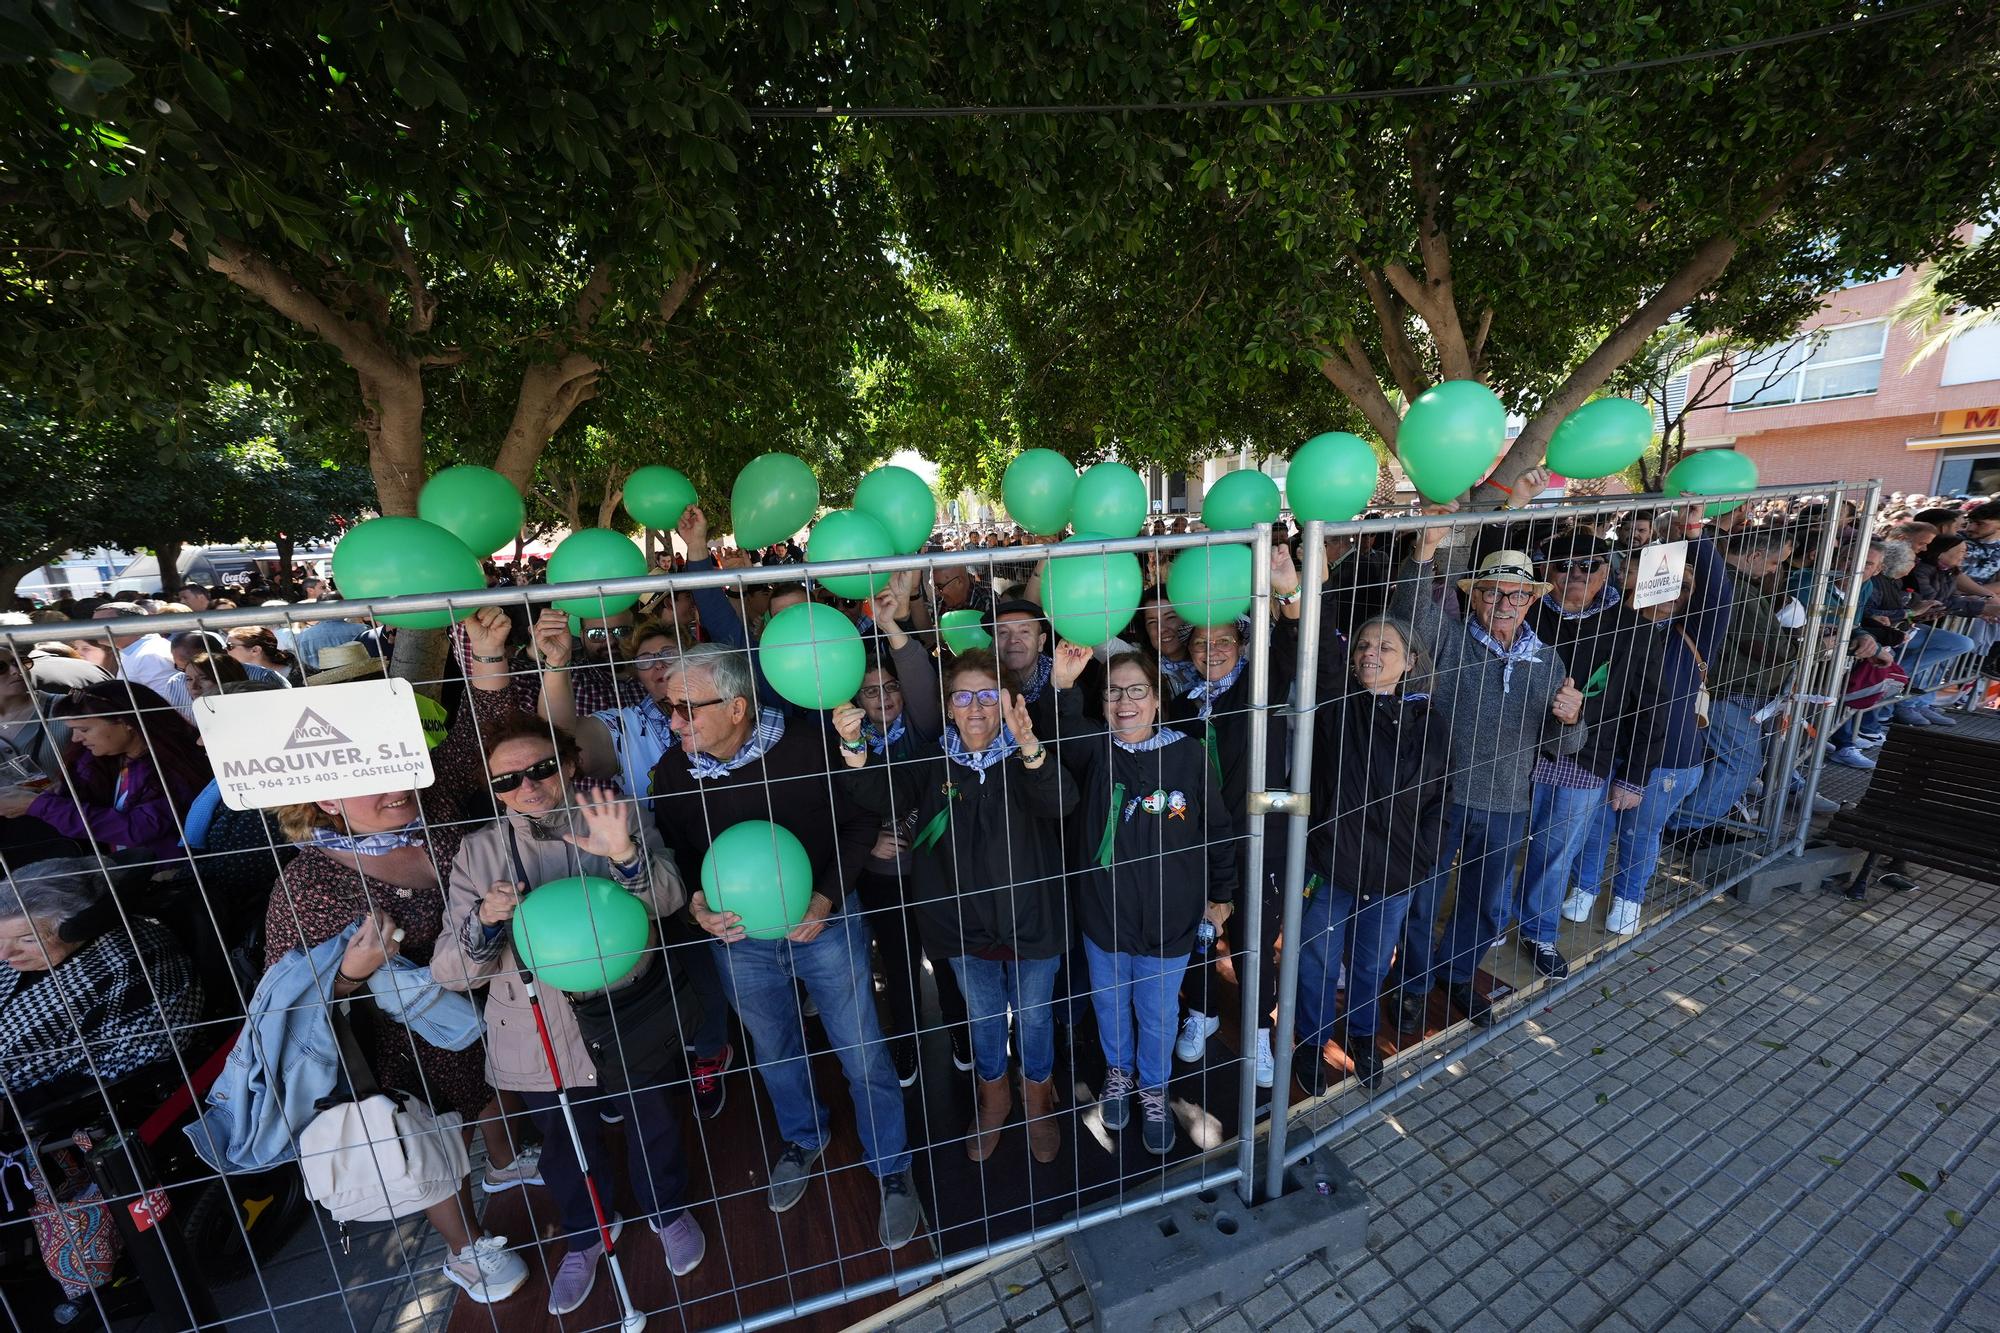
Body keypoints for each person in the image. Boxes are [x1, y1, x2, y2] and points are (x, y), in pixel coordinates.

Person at [262, 606, 534, 1304]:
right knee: (433, 1143)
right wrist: (352, 971)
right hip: (400, 1048)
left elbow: (484, 737)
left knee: (491, 1088)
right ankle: (465, 1249)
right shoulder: (308, 882)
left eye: (399, 766)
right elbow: (288, 1006)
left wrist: (490, 653)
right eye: (370, 779)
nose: (396, 788)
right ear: (323, 795)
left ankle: (504, 1162)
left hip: (483, 1003)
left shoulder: (430, 804)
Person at [649, 643, 921, 1247]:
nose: (674, 723)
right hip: (739, 942)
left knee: (863, 1052)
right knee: (774, 1051)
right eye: (671, 709)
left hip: (824, 927)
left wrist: (824, 899)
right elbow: (677, 852)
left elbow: (859, 824)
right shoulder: (673, 772)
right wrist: (697, 904)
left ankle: (893, 1167)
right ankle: (804, 1138)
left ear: (739, 707)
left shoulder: (810, 746)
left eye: (688, 709)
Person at [434, 716, 704, 1314]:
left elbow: (670, 899)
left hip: (629, 1015)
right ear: (493, 787)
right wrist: (486, 919)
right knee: (563, 1142)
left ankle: (667, 1210)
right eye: (508, 779)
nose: (528, 787)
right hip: (536, 1032)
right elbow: (450, 971)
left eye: (541, 769)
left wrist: (626, 854)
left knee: (652, 1117)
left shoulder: (615, 814)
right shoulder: (477, 853)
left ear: (571, 764)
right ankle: (588, 1234)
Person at [834, 647, 1078, 1164]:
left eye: (988, 696)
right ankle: (995, 1098)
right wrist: (854, 746)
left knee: (1034, 1018)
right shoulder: (928, 760)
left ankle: (1037, 1098)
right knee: (985, 1017)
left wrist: (1031, 745)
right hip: (964, 926)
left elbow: (1062, 802)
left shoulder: (1027, 752)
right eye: (963, 697)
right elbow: (881, 794)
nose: (975, 708)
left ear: (1006, 703)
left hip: (1033, 920)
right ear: (947, 706)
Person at [1391, 525, 1586, 1030]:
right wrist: (1425, 551)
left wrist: (1572, 720)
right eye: (1494, 591)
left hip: (1508, 804)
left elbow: (1564, 747)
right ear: (1475, 595)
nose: (1506, 602)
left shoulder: (1545, 661)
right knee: (1423, 895)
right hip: (1443, 797)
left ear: (1530, 602)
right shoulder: (1450, 641)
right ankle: (1412, 985)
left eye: (1518, 594)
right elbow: (1411, 617)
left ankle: (1457, 975)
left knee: (1483, 903)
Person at [1053, 643, 1233, 1151]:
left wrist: (1221, 895)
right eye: (1112, 692)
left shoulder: (1188, 755)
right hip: (1104, 916)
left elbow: (1218, 829)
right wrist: (1064, 686)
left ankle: (1153, 1087)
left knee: (1157, 1013)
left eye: (1137, 691)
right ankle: (1119, 1073)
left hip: (1168, 920)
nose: (1124, 702)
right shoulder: (1094, 751)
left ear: (1157, 700)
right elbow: (1062, 736)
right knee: (1110, 1005)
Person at [1293, 614, 1450, 1092]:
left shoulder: (1430, 720)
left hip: (1395, 868)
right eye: (1363, 644)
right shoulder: (1336, 709)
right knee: (1318, 955)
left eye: (1385, 647)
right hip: (1331, 860)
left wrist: (1420, 857)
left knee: (1371, 960)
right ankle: (1309, 1039)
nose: (1370, 653)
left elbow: (1439, 799)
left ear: (1410, 662)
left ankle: (1362, 1034)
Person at [1165, 547, 1302, 1085]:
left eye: (1224, 640)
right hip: (1199, 844)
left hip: (1255, 838)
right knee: (1199, 933)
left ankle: (1260, 1033)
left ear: (1242, 644)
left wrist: (1287, 590)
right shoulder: (1178, 705)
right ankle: (1202, 1011)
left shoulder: (1258, 689)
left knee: (1254, 936)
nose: (1212, 650)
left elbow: (1292, 645)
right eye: (1202, 642)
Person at [1511, 530, 1671, 980]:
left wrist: (1635, 776)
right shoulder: (1525, 614)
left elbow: (1652, 708)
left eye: (1590, 565)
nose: (1577, 574)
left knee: (1555, 853)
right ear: (1546, 571)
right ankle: (1488, 923)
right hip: (1514, 755)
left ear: (1608, 570)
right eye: (1565, 566)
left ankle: (1538, 931)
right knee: (1499, 848)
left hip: (1585, 761)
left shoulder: (1635, 630)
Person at [1565, 518, 1732, 931]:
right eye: (1632, 575)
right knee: (1594, 825)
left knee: (1639, 831)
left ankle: (1628, 898)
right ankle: (1584, 888)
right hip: (1610, 748)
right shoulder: (1615, 624)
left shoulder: (1693, 633)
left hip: (1669, 758)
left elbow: (1721, 596)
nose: (1638, 582)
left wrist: (1695, 534)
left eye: (1651, 575)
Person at [843, 587, 968, 1085]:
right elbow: (840, 803)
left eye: (890, 687)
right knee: (897, 966)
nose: (884, 698)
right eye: (871, 691)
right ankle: (907, 1045)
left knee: (946, 956)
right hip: (880, 875)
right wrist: (869, 839)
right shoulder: (847, 742)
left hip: (935, 869)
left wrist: (894, 628)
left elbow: (919, 679)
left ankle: (961, 1033)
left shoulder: (922, 728)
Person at [0, 857, 202, 1105]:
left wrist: (14, 1111)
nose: (4, 955)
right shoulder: (32, 953)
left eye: (28, 939)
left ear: (79, 924)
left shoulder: (136, 975)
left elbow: (136, 1060)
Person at [1663, 526, 1803, 834]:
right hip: (1725, 691)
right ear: (1754, 555)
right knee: (1741, 760)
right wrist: (1809, 644)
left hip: (1725, 688)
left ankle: (1691, 820)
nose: (1775, 570)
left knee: (1732, 759)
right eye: (1773, 563)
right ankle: (1687, 824)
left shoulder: (1735, 585)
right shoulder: (1736, 588)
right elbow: (1771, 649)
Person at [0, 681, 208, 864]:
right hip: (125, 872)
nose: (75, 739)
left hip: (171, 876)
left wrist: (41, 806)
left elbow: (137, 829)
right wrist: (56, 794)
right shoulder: (100, 760)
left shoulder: (175, 767)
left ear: (126, 723)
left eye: (84, 729)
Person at [88, 602, 181, 696]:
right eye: (94, 623)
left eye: (103, 623)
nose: (95, 628)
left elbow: (170, 702)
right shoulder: (138, 651)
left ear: (132, 623)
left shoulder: (150, 655)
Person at [226, 626, 302, 685]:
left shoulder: (302, 676)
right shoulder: (232, 679)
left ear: (255, 650)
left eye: (230, 646)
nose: (225, 650)